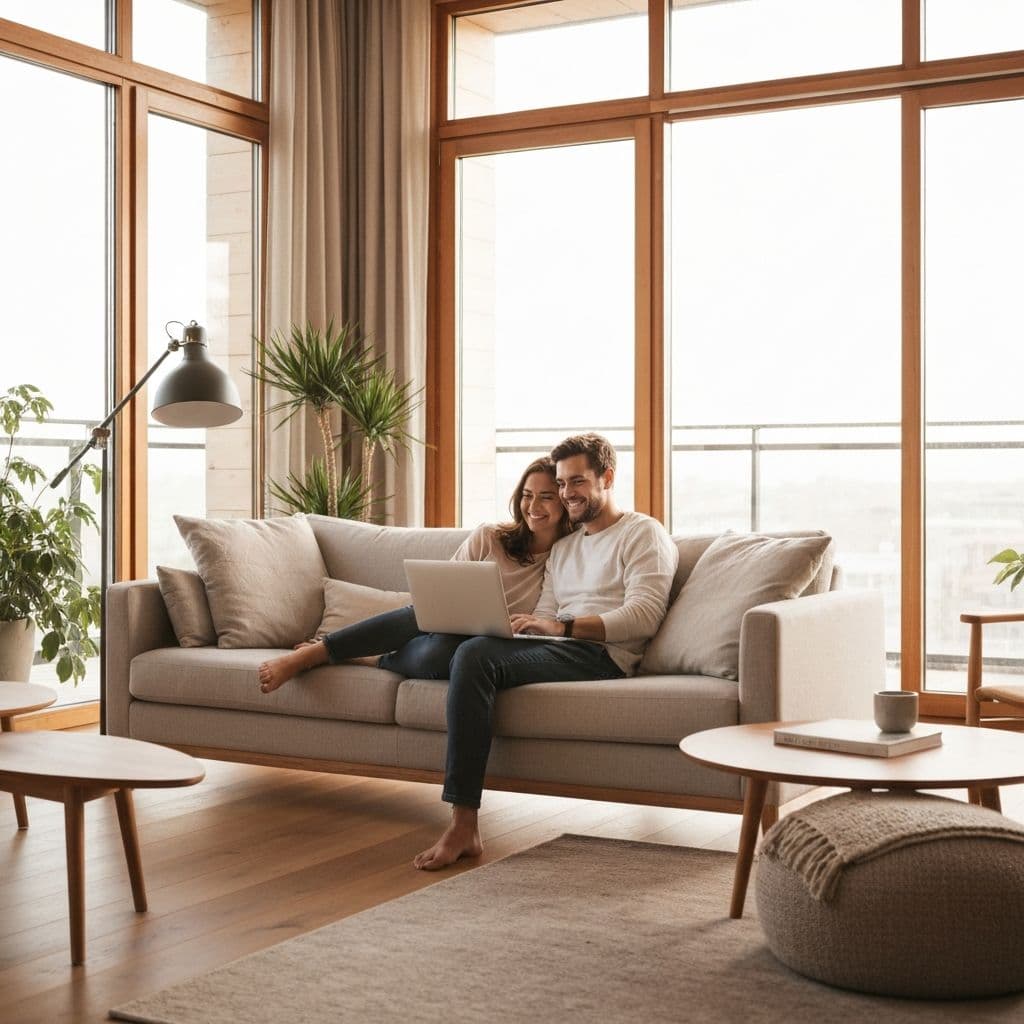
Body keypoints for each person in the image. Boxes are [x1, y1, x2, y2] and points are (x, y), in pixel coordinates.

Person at [415, 432, 678, 871]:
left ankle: (463, 824)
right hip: (558, 647)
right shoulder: (565, 548)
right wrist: (524, 630)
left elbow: (644, 615)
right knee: (463, 646)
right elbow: (546, 612)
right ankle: (375, 655)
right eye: (562, 483)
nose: (567, 493)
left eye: (577, 481)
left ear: (607, 478)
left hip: (604, 655)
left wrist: (563, 627)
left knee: (475, 656)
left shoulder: (642, 533)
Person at [255, 456, 572, 693]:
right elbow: (444, 588)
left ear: (564, 502)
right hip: (449, 627)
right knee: (419, 612)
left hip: (489, 649)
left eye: (546, 497)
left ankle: (374, 658)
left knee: (447, 656)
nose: (533, 505)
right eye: (527, 494)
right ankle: (316, 653)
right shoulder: (490, 537)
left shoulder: (567, 558)